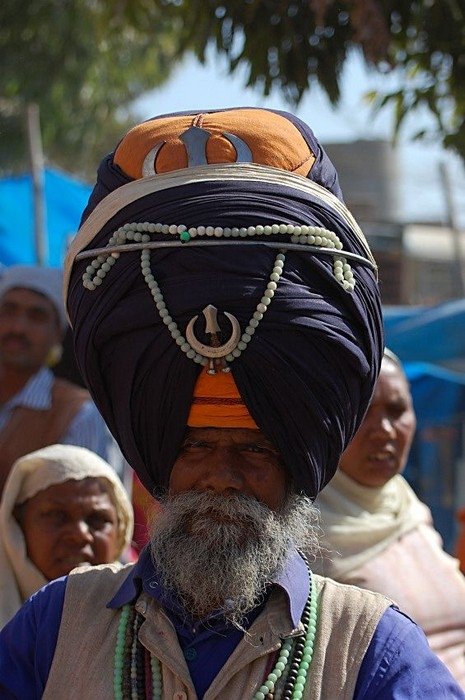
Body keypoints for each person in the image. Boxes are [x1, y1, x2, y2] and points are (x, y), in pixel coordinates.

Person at [0, 108, 463, 698]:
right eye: (195, 445)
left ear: (298, 465)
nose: (220, 477)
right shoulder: (56, 625)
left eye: (254, 450)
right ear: (157, 452)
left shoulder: (371, 649)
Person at [313, 349, 465, 688]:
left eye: (397, 411)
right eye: (363, 413)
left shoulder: (408, 508)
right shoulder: (302, 534)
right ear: (327, 422)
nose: (384, 430)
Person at [0, 265, 112, 494]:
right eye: (8, 311)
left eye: (36, 316)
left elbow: (81, 508)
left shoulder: (78, 413)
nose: (18, 328)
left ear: (57, 334)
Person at [0, 443, 134, 628]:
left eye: (97, 519)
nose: (80, 535)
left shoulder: (147, 622)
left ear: (120, 530)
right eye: (58, 516)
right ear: (17, 528)